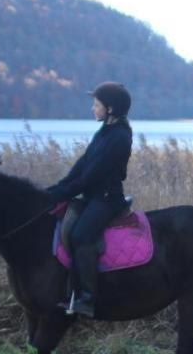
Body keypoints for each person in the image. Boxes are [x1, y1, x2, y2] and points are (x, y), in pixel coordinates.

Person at [45, 81, 133, 316]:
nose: (93, 109)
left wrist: (63, 193)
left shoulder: (119, 137)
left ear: (110, 109)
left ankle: (87, 299)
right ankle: (69, 291)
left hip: (107, 199)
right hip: (93, 196)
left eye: (96, 105)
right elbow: (83, 165)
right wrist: (57, 188)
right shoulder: (104, 132)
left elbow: (91, 177)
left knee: (81, 236)